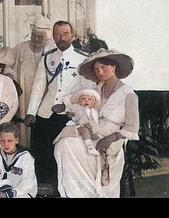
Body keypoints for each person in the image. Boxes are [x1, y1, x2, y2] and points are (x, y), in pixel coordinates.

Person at [54, 48, 139, 198]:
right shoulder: (97, 88)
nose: (99, 72)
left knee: (76, 148)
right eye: (96, 69)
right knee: (65, 144)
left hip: (112, 138)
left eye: (103, 67)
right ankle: (77, 193)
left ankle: (95, 193)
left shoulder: (128, 94)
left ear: (114, 67)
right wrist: (67, 107)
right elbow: (78, 100)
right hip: (92, 131)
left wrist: (110, 138)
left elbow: (132, 127)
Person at [24, 21, 95, 184]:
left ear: (73, 35)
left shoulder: (83, 59)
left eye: (65, 34)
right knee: (41, 153)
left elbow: (86, 91)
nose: (61, 37)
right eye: (57, 34)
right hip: (45, 112)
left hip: (69, 115)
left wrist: (68, 105)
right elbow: (38, 86)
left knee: (64, 154)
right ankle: (42, 188)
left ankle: (62, 188)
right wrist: (31, 112)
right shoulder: (48, 57)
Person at [10, 16, 55, 148]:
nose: (36, 39)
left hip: (45, 98)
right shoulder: (20, 48)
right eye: (34, 35)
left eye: (40, 37)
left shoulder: (53, 51)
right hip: (24, 96)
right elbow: (8, 67)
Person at [53, 88, 102, 156]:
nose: (86, 101)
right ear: (78, 101)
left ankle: (93, 139)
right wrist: (71, 114)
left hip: (90, 126)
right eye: (83, 99)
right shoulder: (77, 107)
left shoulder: (94, 111)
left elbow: (96, 121)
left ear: (93, 103)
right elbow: (72, 113)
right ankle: (90, 148)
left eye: (89, 99)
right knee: (85, 130)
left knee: (96, 133)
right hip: (79, 125)